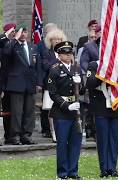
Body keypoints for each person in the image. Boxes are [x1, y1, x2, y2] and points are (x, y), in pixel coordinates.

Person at [47, 41, 84, 179]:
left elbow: (82, 90)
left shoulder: (77, 68)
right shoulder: (55, 69)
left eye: (70, 53)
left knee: (75, 143)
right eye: (65, 54)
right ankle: (62, 173)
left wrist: (79, 83)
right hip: (61, 112)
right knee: (62, 143)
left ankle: (73, 171)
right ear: (59, 55)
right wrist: (66, 105)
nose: (68, 56)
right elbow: (52, 93)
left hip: (76, 113)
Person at [3, 25, 42, 145]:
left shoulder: (33, 47)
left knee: (29, 111)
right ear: (16, 34)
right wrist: (15, 39)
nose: (24, 34)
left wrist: (39, 82)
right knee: (17, 112)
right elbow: (6, 52)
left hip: (30, 83)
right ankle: (14, 136)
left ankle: (26, 135)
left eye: (25, 32)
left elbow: (38, 66)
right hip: (16, 83)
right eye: (21, 32)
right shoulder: (12, 46)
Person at [86, 60, 118, 178]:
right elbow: (90, 83)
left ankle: (112, 168)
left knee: (114, 139)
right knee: (102, 139)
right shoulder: (94, 65)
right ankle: (104, 168)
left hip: (117, 105)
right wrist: (104, 73)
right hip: (100, 106)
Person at [41, 28, 66, 138]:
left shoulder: (66, 52)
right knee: (51, 109)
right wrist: (58, 60)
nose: (57, 41)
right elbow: (46, 66)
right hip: (51, 84)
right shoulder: (47, 53)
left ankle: (62, 131)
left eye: (59, 39)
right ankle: (53, 132)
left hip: (64, 84)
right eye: (54, 39)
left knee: (63, 107)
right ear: (50, 41)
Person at [0, 24, 16, 144]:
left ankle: (9, 136)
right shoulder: (2, 41)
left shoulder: (13, 44)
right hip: (2, 81)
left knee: (8, 111)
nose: (14, 33)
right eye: (12, 31)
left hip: (8, 82)